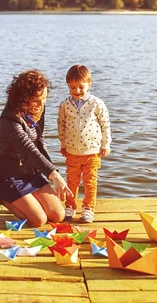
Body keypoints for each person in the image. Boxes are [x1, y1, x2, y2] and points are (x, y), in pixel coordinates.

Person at [0, 69, 73, 227]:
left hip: (30, 172)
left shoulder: (38, 110)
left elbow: (39, 141)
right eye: (36, 100)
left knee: (58, 215)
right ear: (23, 99)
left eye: (44, 99)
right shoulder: (9, 119)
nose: (41, 104)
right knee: (38, 220)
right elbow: (28, 149)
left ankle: (25, 199)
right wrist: (54, 176)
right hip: (7, 176)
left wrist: (51, 172)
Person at [58, 65, 112, 223]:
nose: (77, 91)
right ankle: (71, 205)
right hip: (72, 150)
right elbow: (61, 124)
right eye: (72, 87)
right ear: (68, 85)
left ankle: (88, 207)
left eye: (81, 87)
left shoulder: (96, 103)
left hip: (92, 151)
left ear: (89, 84)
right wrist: (63, 143)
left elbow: (105, 124)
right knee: (72, 180)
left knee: (90, 181)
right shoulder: (65, 105)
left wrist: (105, 144)